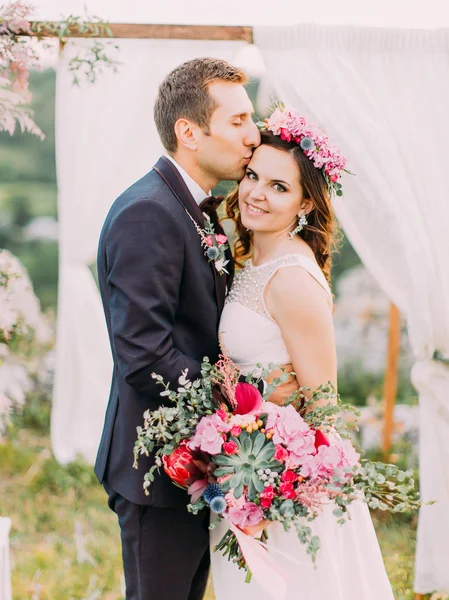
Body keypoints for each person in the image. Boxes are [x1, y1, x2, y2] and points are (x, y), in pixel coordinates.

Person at [94, 57, 294, 600]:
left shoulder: (192, 209)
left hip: (195, 462)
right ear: (189, 131)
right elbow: (144, 353)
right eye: (238, 121)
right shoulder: (149, 214)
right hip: (157, 469)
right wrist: (240, 407)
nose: (253, 137)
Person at [211, 108, 395, 599]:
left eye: (279, 187)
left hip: (285, 483)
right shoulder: (254, 257)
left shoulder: (292, 277)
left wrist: (268, 475)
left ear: (305, 204)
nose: (255, 193)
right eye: (253, 175)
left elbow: (321, 405)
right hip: (247, 467)